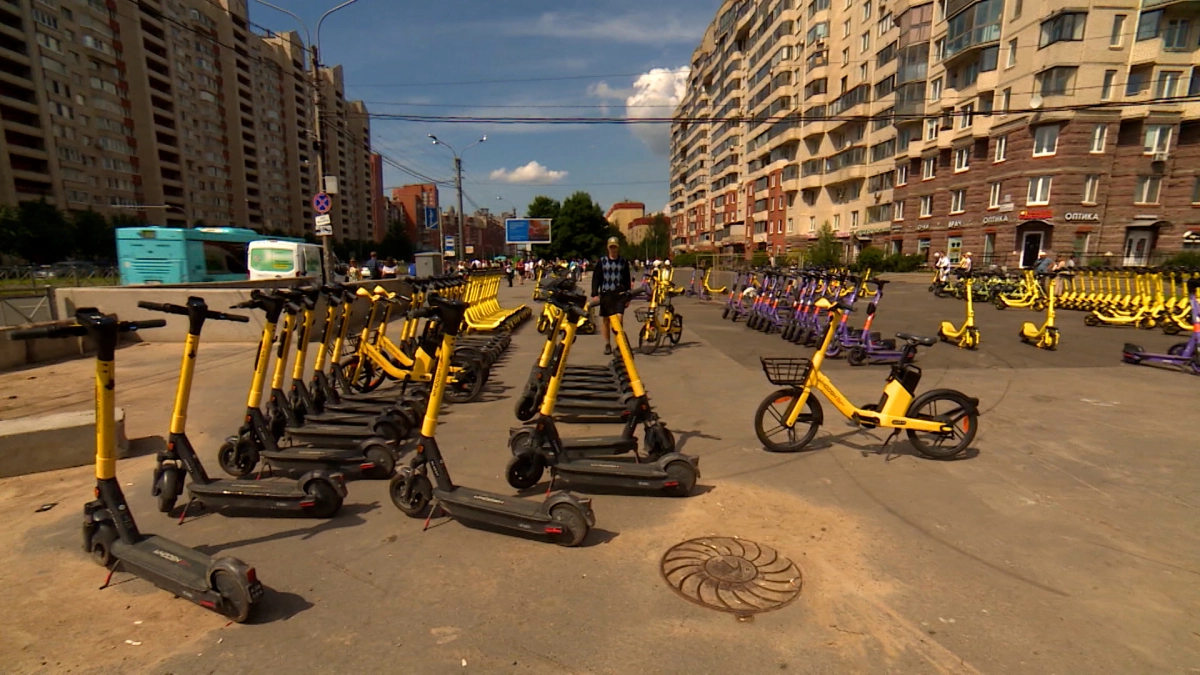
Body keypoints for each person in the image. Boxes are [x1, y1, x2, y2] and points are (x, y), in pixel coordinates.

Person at [591, 236, 632, 356]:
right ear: (608, 248)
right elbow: (596, 277)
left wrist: (628, 296)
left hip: (619, 295)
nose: (613, 250)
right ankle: (607, 344)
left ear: (618, 248)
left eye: (615, 247)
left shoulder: (623, 262)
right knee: (606, 321)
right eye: (611, 247)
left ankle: (619, 345)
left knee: (619, 319)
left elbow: (627, 279)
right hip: (606, 294)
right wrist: (595, 293)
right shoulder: (602, 261)